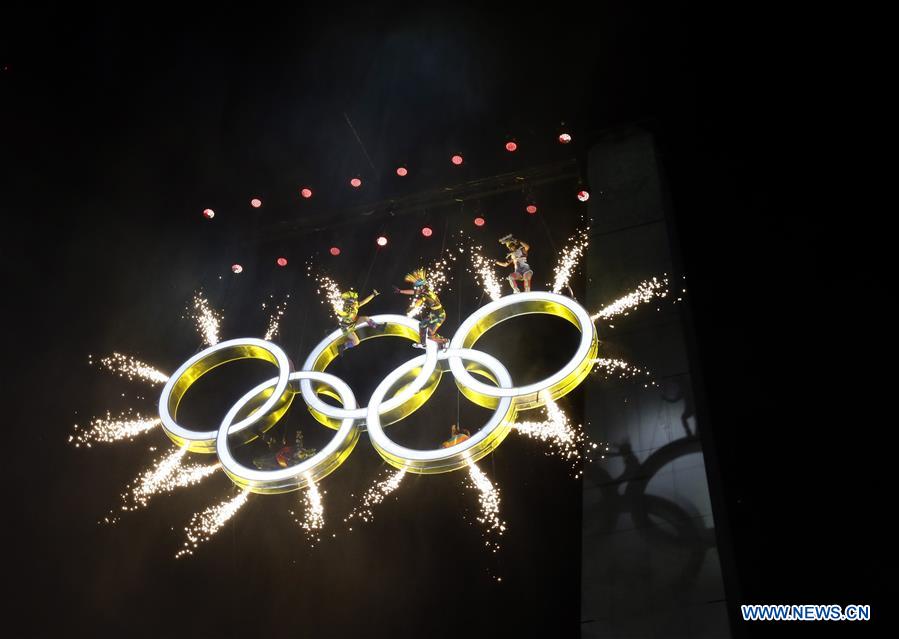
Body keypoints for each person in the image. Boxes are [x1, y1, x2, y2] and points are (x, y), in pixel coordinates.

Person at [393, 268, 447, 346]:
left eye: (418, 287)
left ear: (422, 286)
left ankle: (444, 341)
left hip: (439, 316)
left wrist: (412, 308)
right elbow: (413, 292)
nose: (417, 289)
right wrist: (400, 291)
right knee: (422, 325)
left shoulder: (426, 293)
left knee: (430, 335)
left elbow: (420, 301)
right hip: (434, 314)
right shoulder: (424, 291)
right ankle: (423, 343)